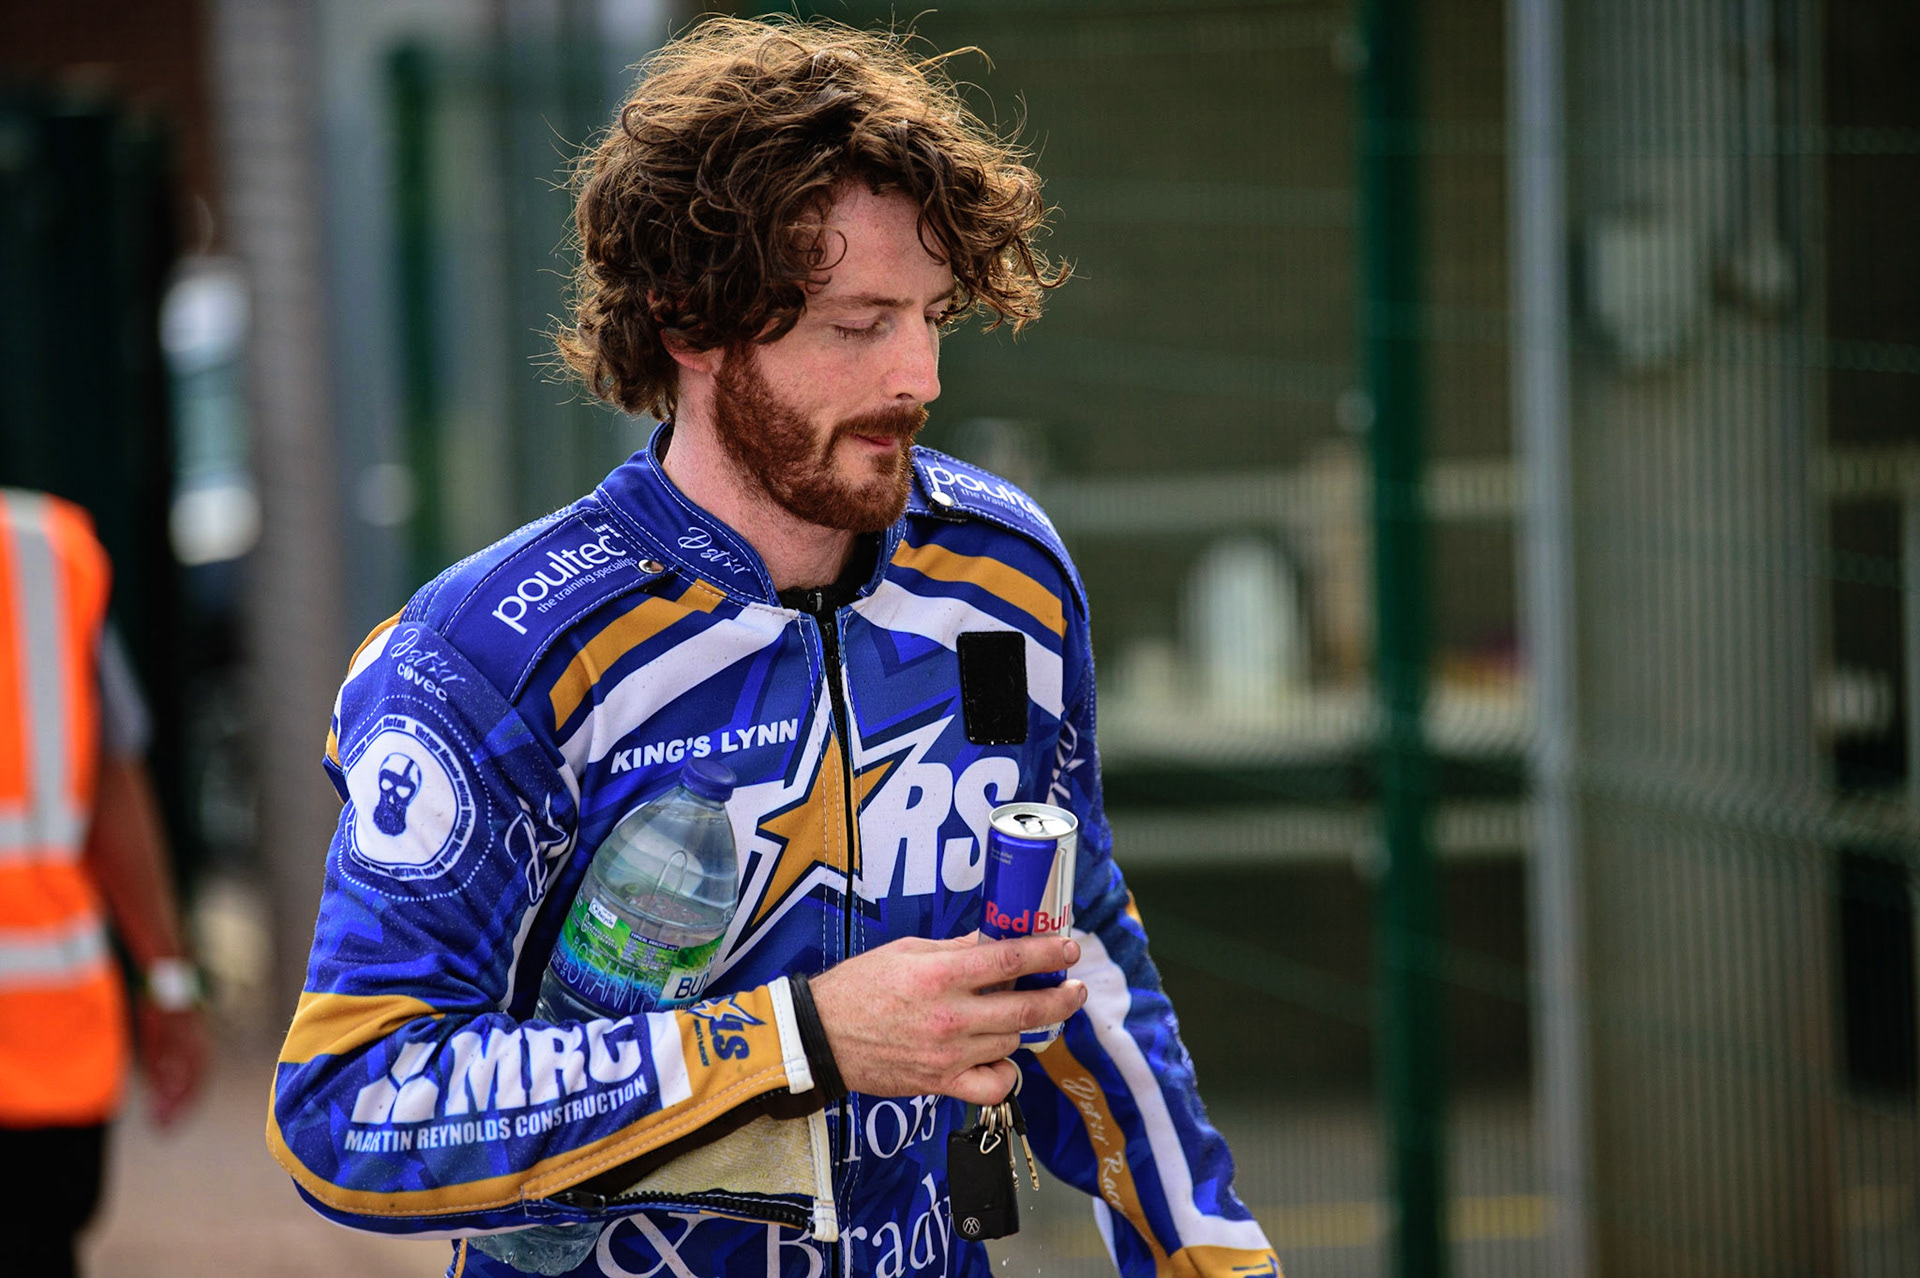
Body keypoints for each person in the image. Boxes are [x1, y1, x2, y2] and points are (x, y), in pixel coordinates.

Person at [268, 17, 1280, 1277]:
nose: (918, 375)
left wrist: (1209, 1256)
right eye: (857, 326)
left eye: (932, 315)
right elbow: (349, 1110)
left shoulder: (1004, 576)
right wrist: (797, 1041)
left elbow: (1080, 959)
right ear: (691, 325)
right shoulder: (494, 651)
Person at [0, 488, 208, 1277]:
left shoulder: (46, 557)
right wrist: (169, 978)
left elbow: (108, 778)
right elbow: (113, 775)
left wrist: (170, 977)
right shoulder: (37, 555)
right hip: (40, 1052)